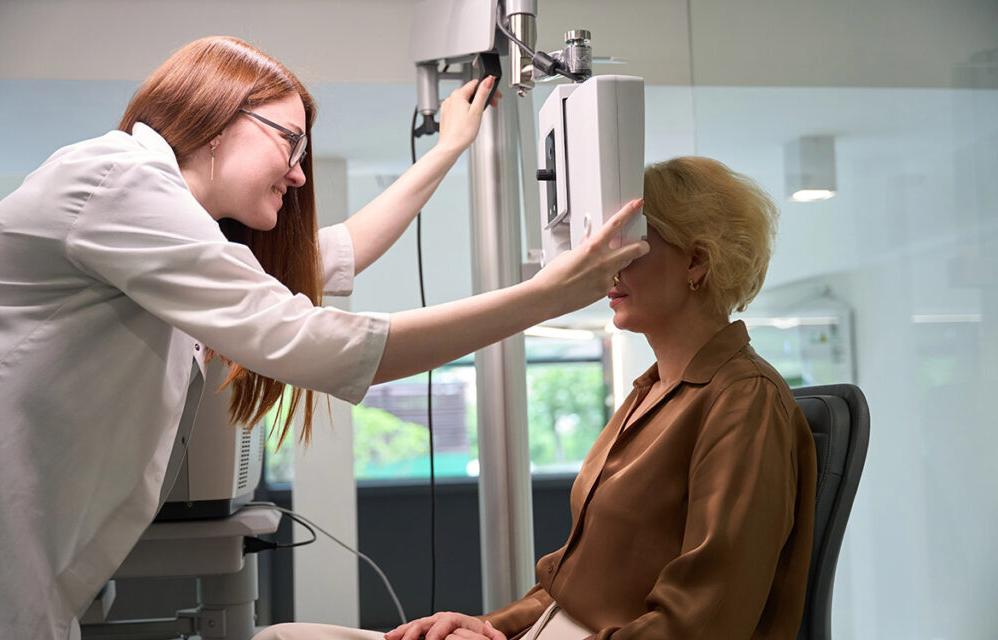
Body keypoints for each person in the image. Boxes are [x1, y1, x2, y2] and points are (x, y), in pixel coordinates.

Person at [0, 36, 647, 640]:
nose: (299, 173)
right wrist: (547, 297)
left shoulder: (170, 231)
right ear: (216, 118)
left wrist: (448, 149)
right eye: (290, 142)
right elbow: (318, 344)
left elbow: (339, 251)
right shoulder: (120, 180)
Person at [255, 157, 818, 640]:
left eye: (629, 245)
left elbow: (701, 624)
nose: (606, 265)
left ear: (696, 261)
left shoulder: (744, 400)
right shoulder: (651, 392)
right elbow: (569, 590)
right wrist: (485, 626)